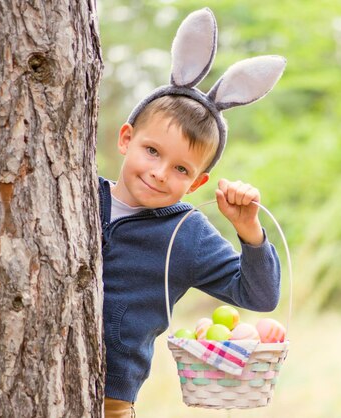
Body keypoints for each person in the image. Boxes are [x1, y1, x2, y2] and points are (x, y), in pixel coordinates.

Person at [98, 8, 286, 418]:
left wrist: (250, 232)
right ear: (126, 138)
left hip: (109, 395)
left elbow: (260, 295)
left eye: (181, 169)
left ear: (197, 183)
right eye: (152, 151)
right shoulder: (78, 196)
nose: (159, 173)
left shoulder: (186, 232)